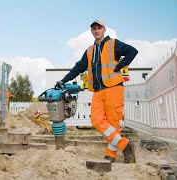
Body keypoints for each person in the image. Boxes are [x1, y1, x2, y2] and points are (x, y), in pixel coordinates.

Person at [55, 20, 138, 163]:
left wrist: (119, 66)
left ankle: (111, 155)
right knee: (96, 120)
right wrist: (63, 80)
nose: (96, 30)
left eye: (99, 28)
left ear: (104, 29)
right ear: (91, 31)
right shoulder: (89, 51)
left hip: (114, 88)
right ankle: (125, 145)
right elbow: (78, 68)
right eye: (94, 28)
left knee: (113, 123)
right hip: (98, 90)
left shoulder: (113, 44)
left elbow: (133, 51)